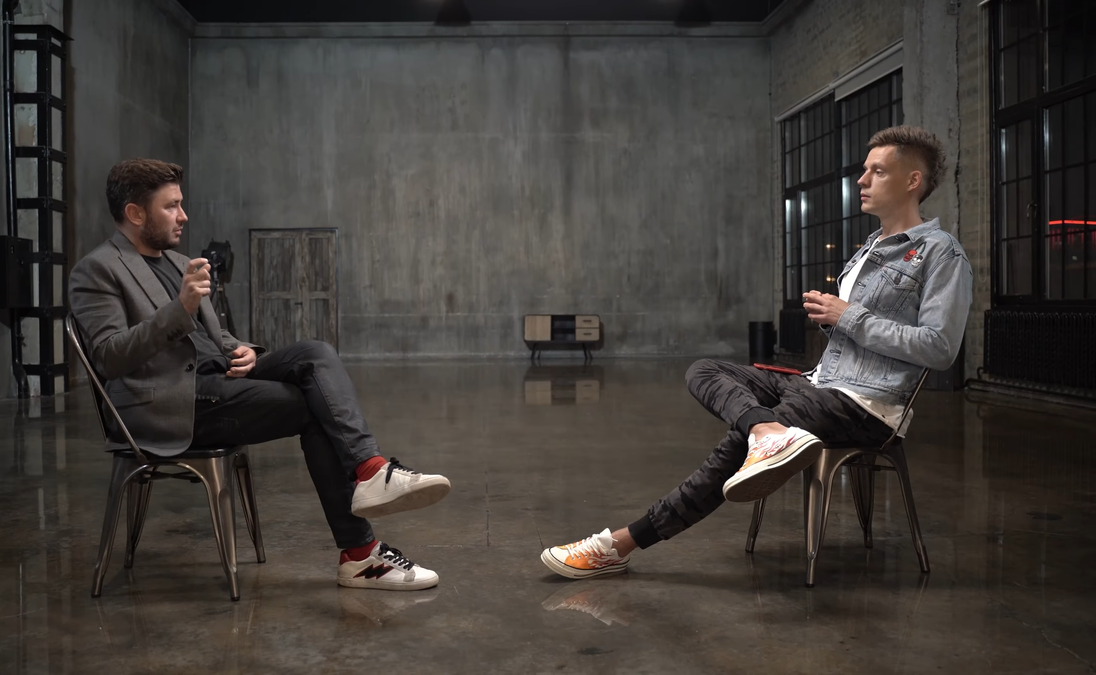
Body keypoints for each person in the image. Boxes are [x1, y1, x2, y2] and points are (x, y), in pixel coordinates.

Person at [541, 126, 972, 579]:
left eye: (877, 171)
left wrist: (848, 317)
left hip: (868, 405)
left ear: (912, 181)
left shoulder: (941, 254)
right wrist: (833, 320)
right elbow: (857, 333)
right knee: (705, 370)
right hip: (820, 384)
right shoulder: (869, 248)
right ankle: (767, 431)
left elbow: (940, 348)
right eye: (865, 170)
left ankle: (619, 544)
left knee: (736, 443)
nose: (862, 180)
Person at [70, 159, 450, 591]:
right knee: (313, 407)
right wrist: (180, 309)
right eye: (171, 206)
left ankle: (371, 470)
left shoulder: (178, 262)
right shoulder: (98, 269)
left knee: (315, 353)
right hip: (170, 404)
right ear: (135, 213)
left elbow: (215, 337)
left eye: (181, 204)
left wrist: (244, 350)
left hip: (217, 379)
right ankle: (361, 554)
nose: (183, 215)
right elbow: (109, 358)